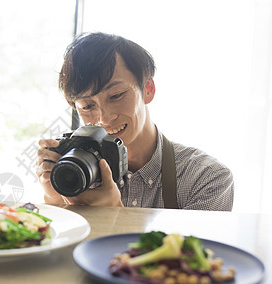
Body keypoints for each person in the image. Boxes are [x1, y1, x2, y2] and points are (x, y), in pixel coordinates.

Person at [36, 32, 234, 211]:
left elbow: (191, 251)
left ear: (148, 89)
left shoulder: (206, 178)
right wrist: (55, 200)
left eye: (116, 96)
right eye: (87, 106)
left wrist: (115, 213)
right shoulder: (76, 172)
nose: (104, 118)